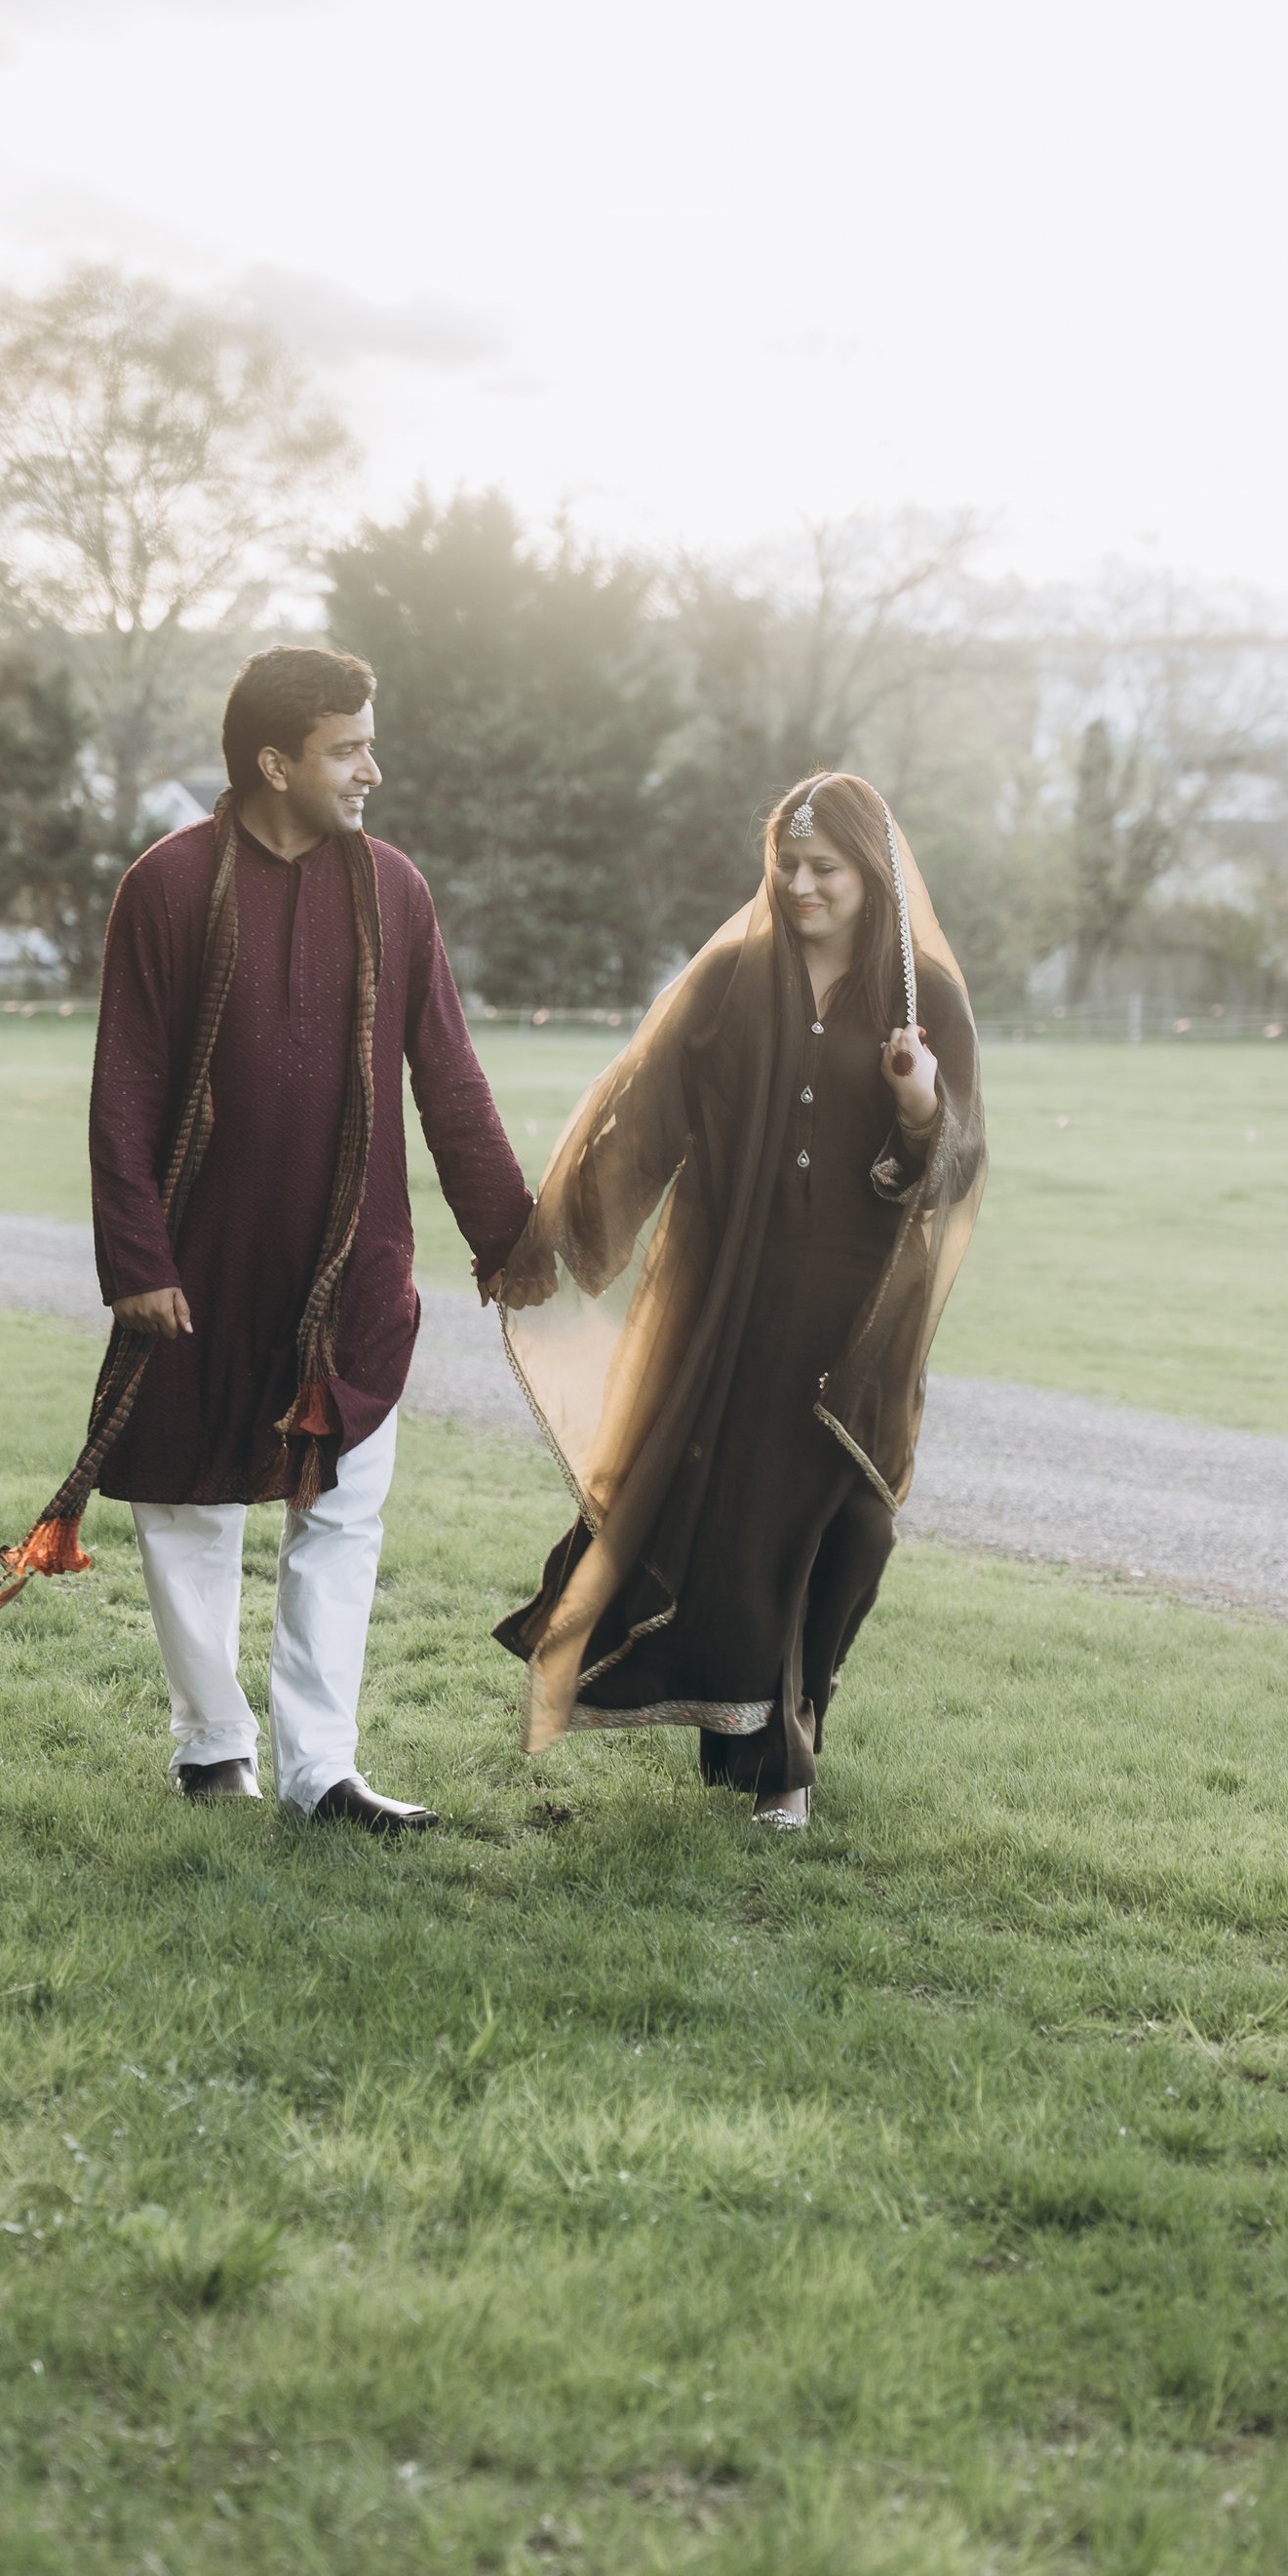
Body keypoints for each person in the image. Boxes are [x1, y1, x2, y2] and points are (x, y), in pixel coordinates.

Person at [0, 646, 533, 1832]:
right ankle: (213, 1744)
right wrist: (138, 1263)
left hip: (351, 1264)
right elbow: (126, 1088)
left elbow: (448, 1076)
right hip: (201, 1265)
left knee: (345, 1509)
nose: (374, 767)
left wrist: (506, 1233)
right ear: (276, 760)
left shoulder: (396, 891)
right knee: (191, 1507)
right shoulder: (164, 886)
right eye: (348, 746)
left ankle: (322, 1771)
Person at [493, 771, 984, 1829]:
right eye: (787, 867)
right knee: (736, 1511)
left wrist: (918, 1103)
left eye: (827, 870)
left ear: (874, 874)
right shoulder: (728, 977)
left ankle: (774, 1719)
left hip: (857, 1308)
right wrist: (553, 1238)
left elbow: (952, 1168)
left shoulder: (921, 998)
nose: (802, 886)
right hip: (722, 1291)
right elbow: (641, 1113)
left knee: (854, 1522)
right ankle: (770, 1757)